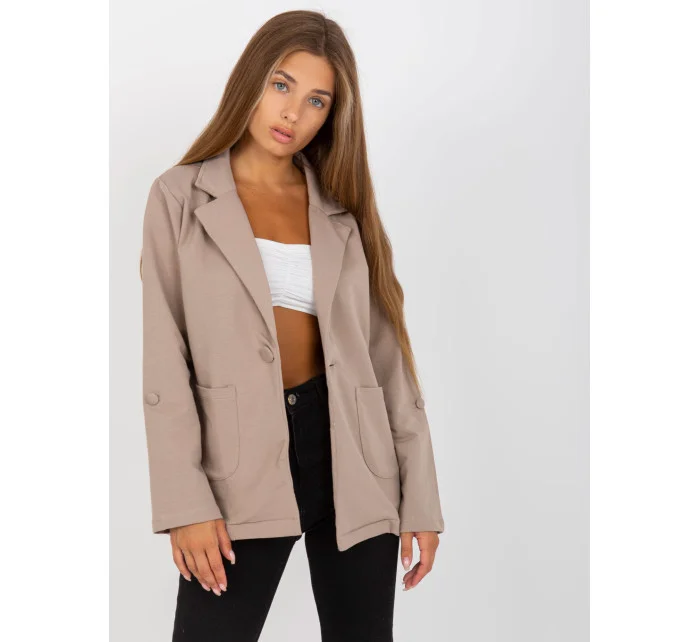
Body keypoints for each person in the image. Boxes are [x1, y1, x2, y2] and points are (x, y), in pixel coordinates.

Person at [139, 10, 445, 642]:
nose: (292, 113)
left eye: (316, 100)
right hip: (238, 462)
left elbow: (386, 358)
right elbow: (164, 359)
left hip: (354, 457)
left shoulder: (343, 209)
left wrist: (421, 496)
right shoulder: (179, 197)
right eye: (282, 85)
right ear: (251, 80)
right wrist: (185, 503)